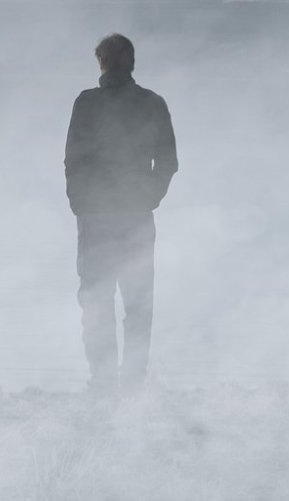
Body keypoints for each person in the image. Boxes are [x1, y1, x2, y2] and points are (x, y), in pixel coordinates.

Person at [64, 32, 177, 392]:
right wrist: (150, 197)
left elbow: (73, 160)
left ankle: (103, 381)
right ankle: (134, 382)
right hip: (136, 216)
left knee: (96, 300)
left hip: (96, 217)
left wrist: (79, 203)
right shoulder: (153, 103)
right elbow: (168, 162)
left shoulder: (87, 104)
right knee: (139, 302)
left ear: (102, 63)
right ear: (131, 62)